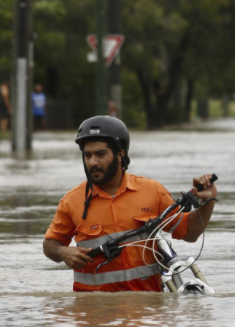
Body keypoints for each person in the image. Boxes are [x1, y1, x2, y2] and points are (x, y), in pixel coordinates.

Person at [42, 116, 217, 292]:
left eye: (100, 154)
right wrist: (63, 253)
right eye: (87, 155)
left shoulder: (152, 191)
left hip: (147, 313)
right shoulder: (71, 201)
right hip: (93, 314)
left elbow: (190, 232)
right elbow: (50, 245)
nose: (92, 162)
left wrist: (208, 201)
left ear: (121, 155)